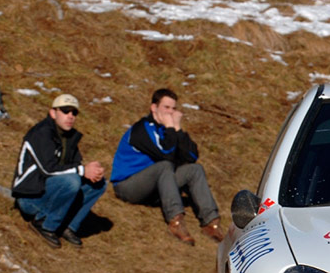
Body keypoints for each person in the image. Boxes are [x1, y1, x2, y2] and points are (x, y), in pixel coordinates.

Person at [111, 88, 225, 245]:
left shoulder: (166, 129)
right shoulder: (142, 129)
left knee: (195, 170)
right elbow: (166, 154)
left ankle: (211, 222)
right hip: (128, 185)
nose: (170, 112)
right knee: (164, 166)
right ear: (154, 108)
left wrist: (177, 129)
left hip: (155, 185)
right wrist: (171, 128)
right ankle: (176, 221)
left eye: (173, 108)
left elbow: (191, 156)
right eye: (166, 107)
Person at [11, 94, 106, 248]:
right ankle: (44, 223)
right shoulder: (41, 133)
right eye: (65, 110)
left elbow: (74, 166)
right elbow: (47, 169)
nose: (70, 116)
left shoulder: (69, 137)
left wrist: (92, 172)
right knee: (72, 181)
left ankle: (68, 226)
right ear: (53, 113)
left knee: (99, 183)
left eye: (74, 113)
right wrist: (82, 170)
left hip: (48, 191)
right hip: (29, 197)